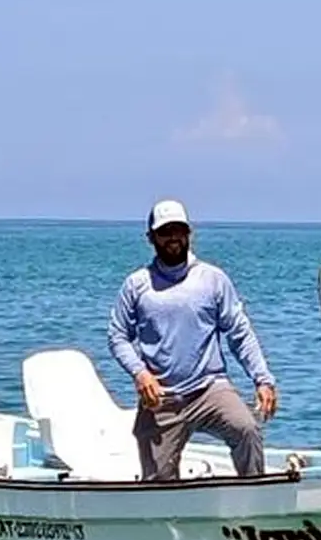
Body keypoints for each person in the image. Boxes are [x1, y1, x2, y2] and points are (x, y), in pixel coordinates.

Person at [107, 199, 279, 480]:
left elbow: (239, 332)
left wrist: (263, 379)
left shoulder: (213, 279)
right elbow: (117, 336)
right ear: (151, 238)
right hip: (162, 397)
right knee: (158, 483)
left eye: (179, 230)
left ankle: (255, 500)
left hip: (210, 388)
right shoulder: (137, 285)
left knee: (246, 428)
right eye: (165, 232)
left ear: (189, 233)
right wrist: (140, 374)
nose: (173, 238)